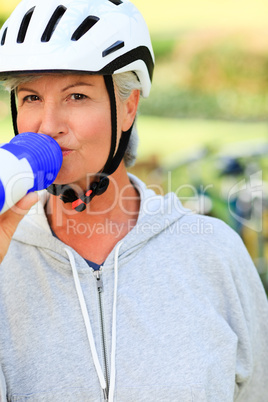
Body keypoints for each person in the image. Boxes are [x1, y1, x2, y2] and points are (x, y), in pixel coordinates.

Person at [0, 0, 267, 401]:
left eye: (76, 96)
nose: (48, 126)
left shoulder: (213, 253)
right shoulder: (7, 261)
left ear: (128, 107)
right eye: (31, 97)